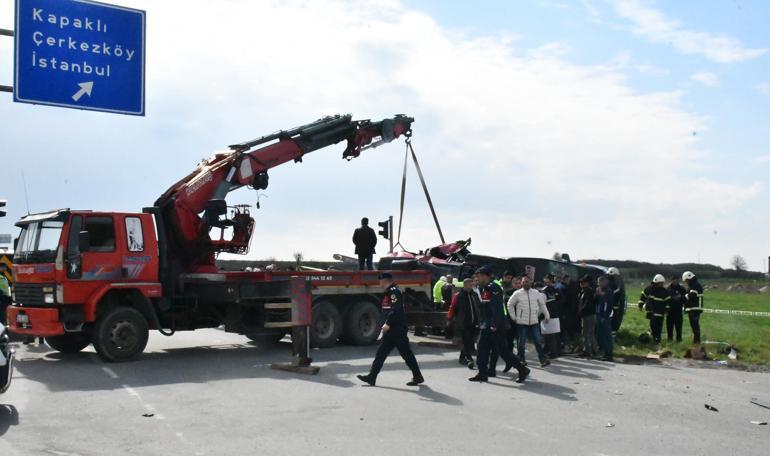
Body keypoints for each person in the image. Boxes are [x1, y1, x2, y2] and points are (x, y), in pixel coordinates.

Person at [358, 272, 424, 386]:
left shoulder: (394, 292)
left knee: (406, 354)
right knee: (381, 354)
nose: (379, 283)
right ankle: (371, 377)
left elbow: (396, 309)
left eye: (380, 280)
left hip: (397, 330)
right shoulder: (388, 292)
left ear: (385, 281)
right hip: (390, 331)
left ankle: (417, 376)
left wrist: (388, 323)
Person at [469, 266, 529, 383]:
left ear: (486, 276)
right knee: (481, 349)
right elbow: (484, 308)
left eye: (479, 276)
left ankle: (522, 369)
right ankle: (482, 374)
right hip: (486, 325)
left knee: (504, 352)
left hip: (495, 326)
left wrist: (494, 325)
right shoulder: (484, 288)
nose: (478, 278)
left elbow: (497, 308)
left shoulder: (494, 288)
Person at [509, 275, 550, 367]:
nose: (524, 283)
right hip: (522, 322)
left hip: (534, 321)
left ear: (531, 282)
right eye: (523, 282)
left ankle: (542, 359)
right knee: (522, 342)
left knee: (538, 341)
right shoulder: (517, 293)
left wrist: (547, 315)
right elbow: (510, 304)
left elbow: (542, 304)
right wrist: (513, 316)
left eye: (526, 282)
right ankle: (521, 359)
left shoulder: (536, 293)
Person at [447, 278, 479, 368]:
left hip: (473, 322)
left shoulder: (474, 295)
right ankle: (469, 358)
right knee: (466, 341)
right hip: (463, 322)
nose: (471, 287)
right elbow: (452, 308)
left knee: (469, 341)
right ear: (464, 285)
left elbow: (478, 307)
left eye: (472, 285)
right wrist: (449, 319)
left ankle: (462, 358)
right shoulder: (458, 296)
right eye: (469, 285)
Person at [638, 274, 670, 344]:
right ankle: (654, 338)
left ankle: (657, 339)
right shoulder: (649, 289)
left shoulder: (664, 291)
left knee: (658, 327)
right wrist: (640, 304)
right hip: (651, 312)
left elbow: (668, 302)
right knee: (652, 326)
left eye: (662, 283)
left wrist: (667, 310)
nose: (662, 284)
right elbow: (643, 296)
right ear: (657, 282)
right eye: (661, 283)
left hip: (660, 312)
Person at [540, 274, 562, 359]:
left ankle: (553, 352)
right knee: (554, 334)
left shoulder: (544, 290)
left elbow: (541, 303)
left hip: (548, 314)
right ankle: (554, 351)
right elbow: (561, 301)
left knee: (550, 335)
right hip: (555, 314)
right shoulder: (556, 289)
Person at [594, 276, 614, 361]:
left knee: (607, 336)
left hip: (606, 316)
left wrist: (605, 316)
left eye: (599, 282)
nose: (598, 284)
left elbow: (609, 305)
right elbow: (596, 301)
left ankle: (609, 354)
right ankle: (603, 352)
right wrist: (596, 294)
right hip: (599, 314)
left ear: (604, 282)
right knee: (601, 334)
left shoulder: (608, 291)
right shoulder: (600, 290)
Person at [577, 275, 597, 358]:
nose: (581, 284)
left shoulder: (589, 292)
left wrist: (581, 312)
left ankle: (588, 350)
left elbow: (587, 305)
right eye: (581, 283)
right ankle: (592, 349)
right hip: (587, 315)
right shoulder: (583, 291)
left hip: (588, 315)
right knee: (589, 333)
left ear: (587, 283)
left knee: (586, 333)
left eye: (583, 283)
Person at [682, 271, 704, 344]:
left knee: (695, 325)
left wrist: (684, 296)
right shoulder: (692, 285)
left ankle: (697, 341)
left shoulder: (695, 285)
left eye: (686, 280)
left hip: (696, 308)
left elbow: (692, 295)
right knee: (693, 325)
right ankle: (696, 340)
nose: (686, 282)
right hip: (692, 308)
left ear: (689, 278)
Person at [666, 276, 686, 342]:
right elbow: (665, 299)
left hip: (678, 311)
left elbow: (685, 299)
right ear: (671, 280)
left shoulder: (682, 289)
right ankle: (669, 339)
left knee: (678, 327)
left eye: (676, 280)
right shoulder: (668, 289)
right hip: (669, 311)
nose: (675, 281)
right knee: (669, 327)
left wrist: (680, 297)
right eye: (673, 280)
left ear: (678, 280)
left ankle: (679, 340)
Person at [607, 267, 626, 332]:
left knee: (614, 320)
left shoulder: (617, 281)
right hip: (614, 305)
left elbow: (618, 291)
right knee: (614, 320)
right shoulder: (617, 281)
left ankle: (612, 335)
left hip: (615, 305)